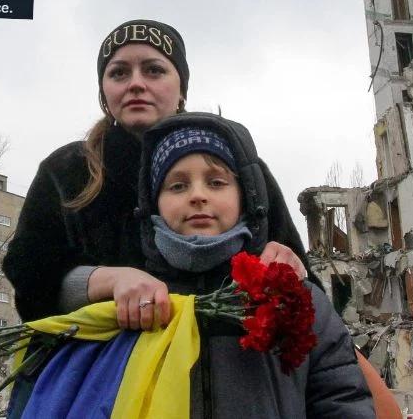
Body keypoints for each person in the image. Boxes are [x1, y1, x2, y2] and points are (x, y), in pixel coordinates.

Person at [1, 18, 400, 417]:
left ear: (181, 87)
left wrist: (285, 263)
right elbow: (31, 282)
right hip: (101, 387)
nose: (136, 83)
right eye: (119, 72)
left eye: (154, 69)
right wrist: (108, 282)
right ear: (104, 92)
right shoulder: (69, 170)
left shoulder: (241, 166)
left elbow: (303, 306)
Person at [137, 114, 374, 418]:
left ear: (244, 196)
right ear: (154, 202)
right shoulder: (137, 301)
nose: (197, 195)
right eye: (178, 186)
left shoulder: (298, 298)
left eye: (216, 182)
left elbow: (342, 401)